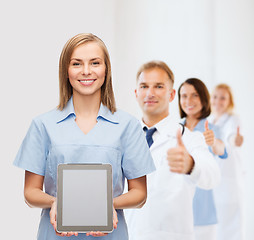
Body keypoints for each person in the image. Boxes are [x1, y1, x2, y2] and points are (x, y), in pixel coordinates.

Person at [13, 33, 155, 240]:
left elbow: (140, 194)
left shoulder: (128, 126)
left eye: (95, 63)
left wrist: (105, 208)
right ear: (66, 71)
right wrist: (57, 203)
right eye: (77, 64)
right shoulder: (43, 125)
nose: (86, 71)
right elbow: (30, 192)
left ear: (106, 69)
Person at [125, 61, 221, 240]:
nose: (150, 93)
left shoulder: (189, 138)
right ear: (136, 93)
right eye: (144, 86)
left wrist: (191, 164)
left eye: (159, 86)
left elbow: (213, 175)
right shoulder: (124, 139)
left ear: (171, 95)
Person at [178, 78, 228, 240]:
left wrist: (213, 142)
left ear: (203, 99)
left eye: (195, 95)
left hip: (203, 214)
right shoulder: (174, 128)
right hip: (177, 210)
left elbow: (222, 150)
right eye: (184, 96)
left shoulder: (212, 129)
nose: (188, 101)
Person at [209, 83, 245, 240]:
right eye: (215, 96)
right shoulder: (209, 121)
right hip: (214, 180)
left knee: (231, 227)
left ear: (229, 101)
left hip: (229, 181)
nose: (218, 101)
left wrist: (236, 140)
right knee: (216, 228)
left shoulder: (233, 119)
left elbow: (232, 137)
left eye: (223, 98)